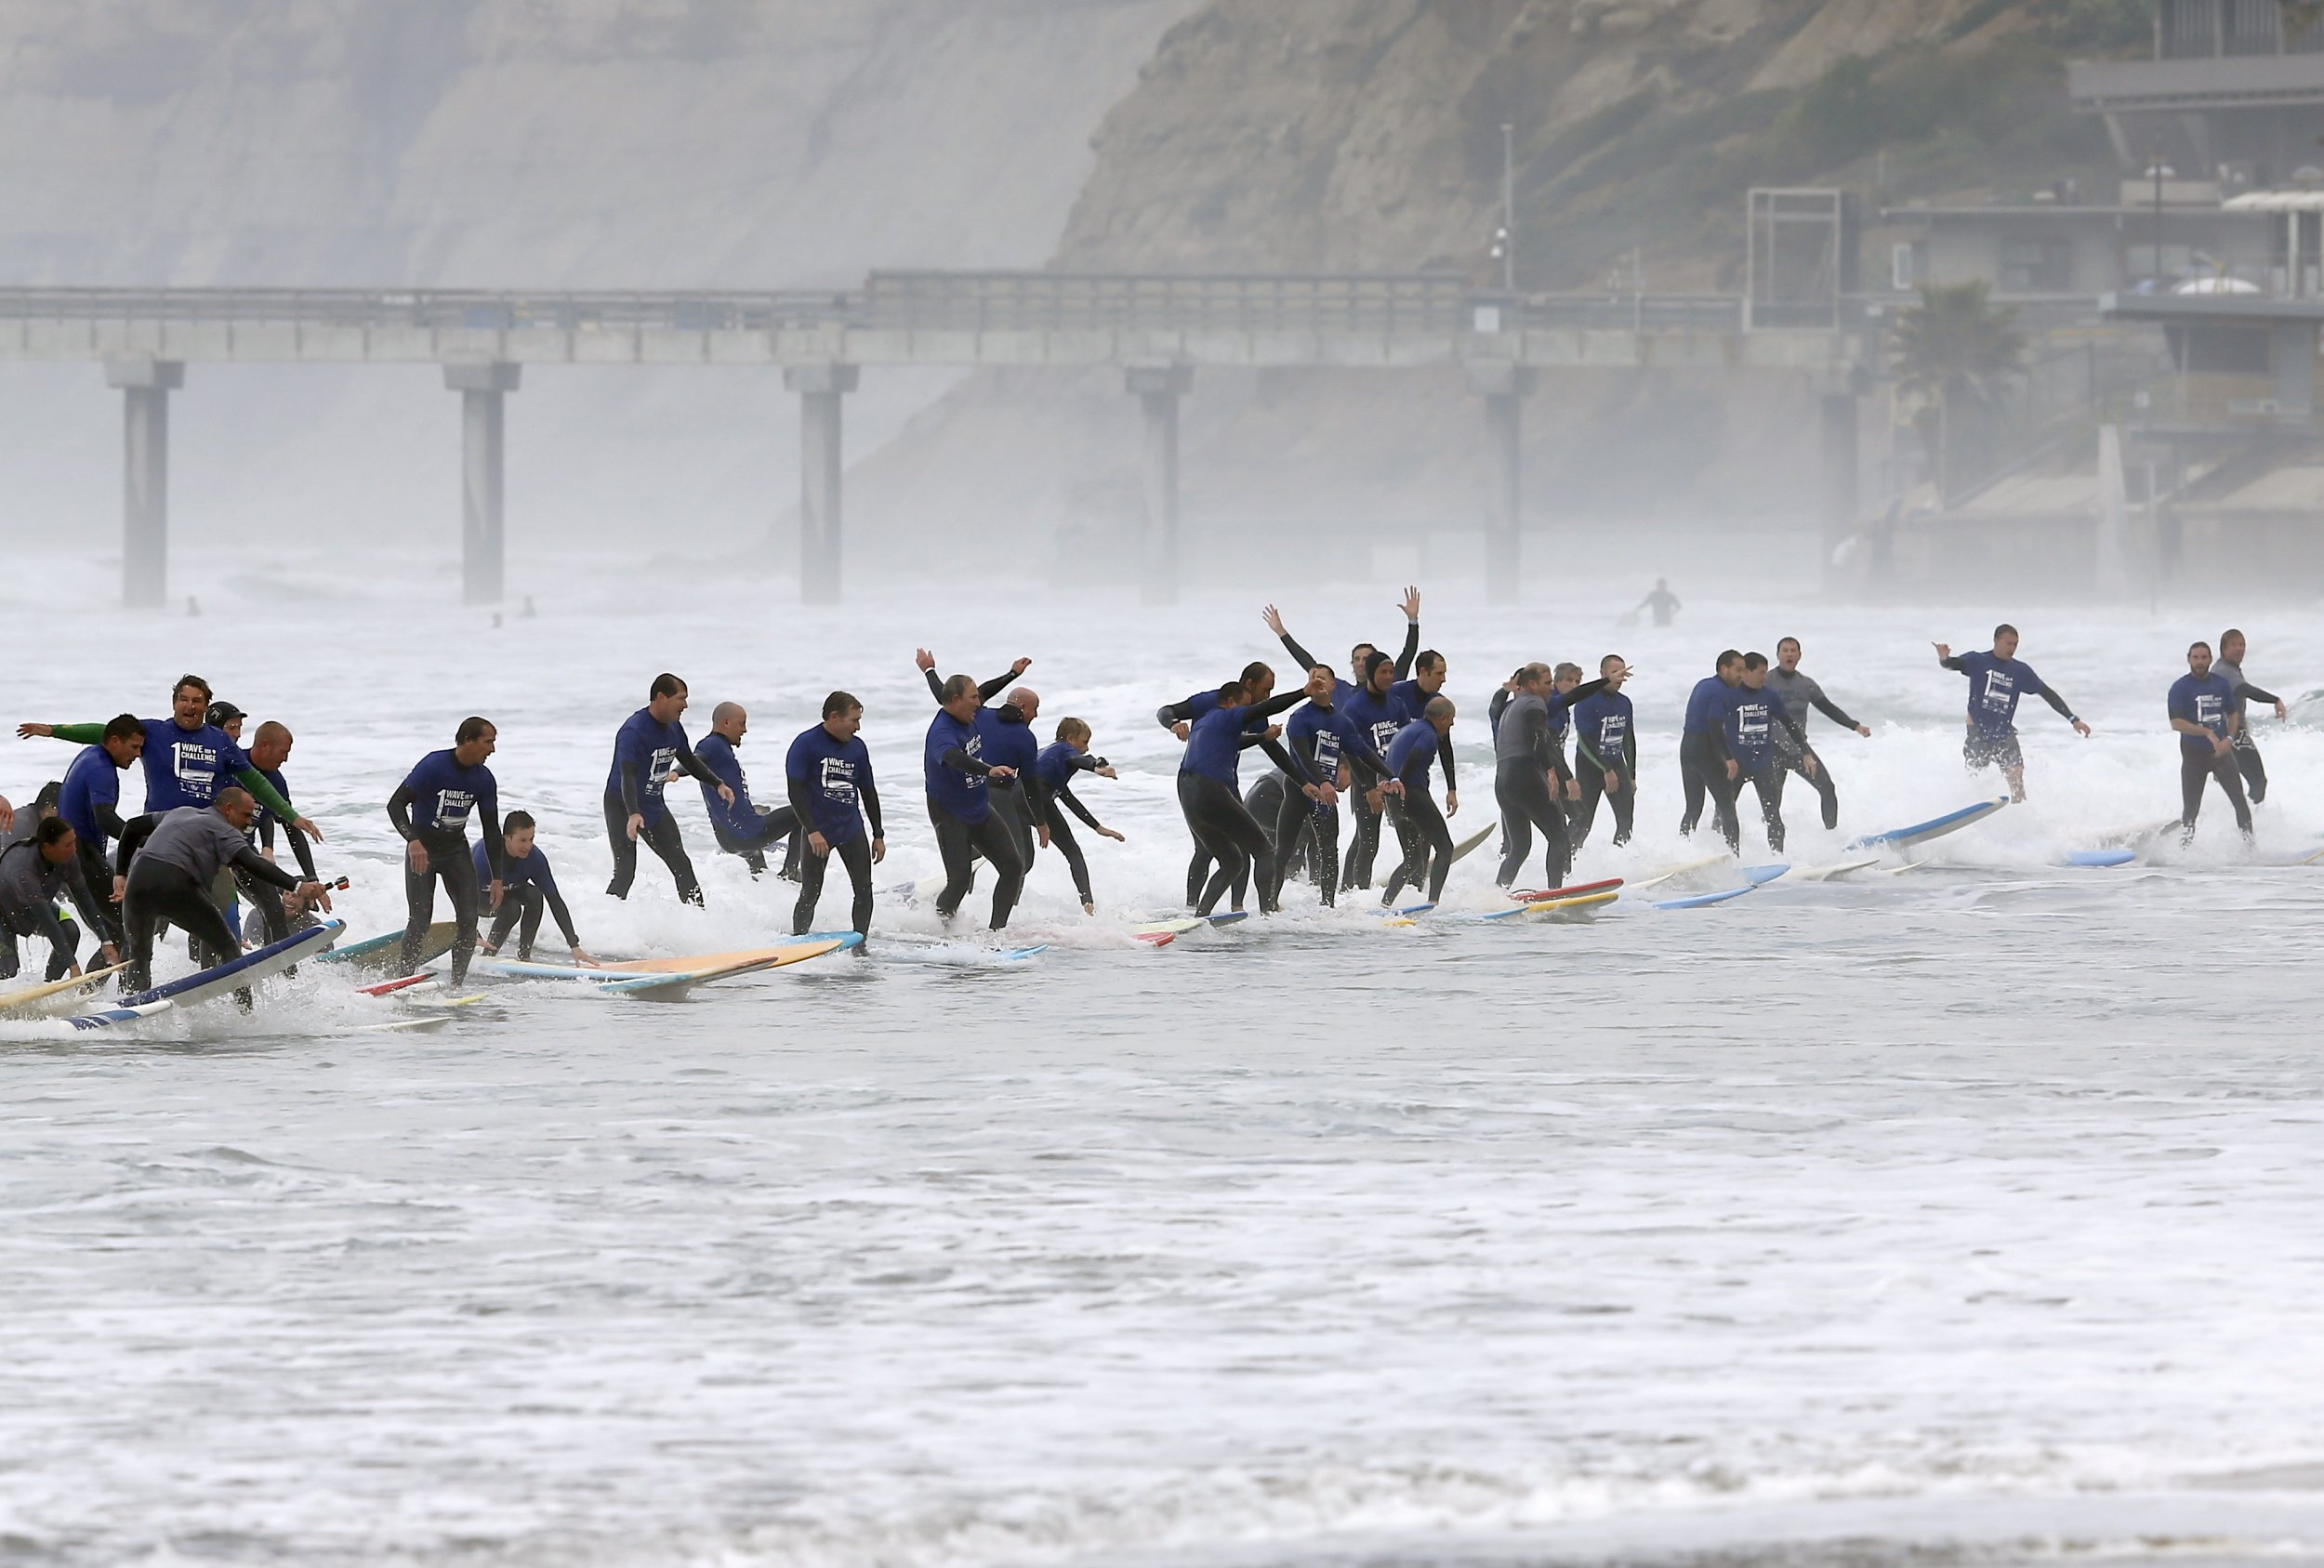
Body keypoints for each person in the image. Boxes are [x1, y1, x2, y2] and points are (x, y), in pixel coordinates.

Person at [17, 674, 321, 844]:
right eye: (183, 699)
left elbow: (255, 781)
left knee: (219, 910)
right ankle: (124, 957)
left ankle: (236, 958)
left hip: (206, 837)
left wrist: (292, 816)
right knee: (149, 918)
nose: (189, 706)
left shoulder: (220, 742)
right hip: (158, 834)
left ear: (205, 706)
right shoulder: (154, 732)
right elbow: (105, 731)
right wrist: (54, 730)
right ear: (174, 703)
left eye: (197, 701)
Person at [1266, 591, 1420, 886]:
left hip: (1387, 771)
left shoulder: (1388, 689)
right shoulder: (1342, 692)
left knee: (1404, 828)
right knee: (1367, 839)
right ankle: (1351, 890)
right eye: (1357, 659)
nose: (1362, 663)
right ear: (1352, 665)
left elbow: (1406, 658)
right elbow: (1310, 665)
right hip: (1362, 774)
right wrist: (1282, 633)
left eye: (1367, 659)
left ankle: (1403, 878)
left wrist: (1413, 622)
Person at [114, 792, 331, 996]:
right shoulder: (224, 830)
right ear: (228, 808)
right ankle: (247, 1016)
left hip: (138, 881)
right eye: (246, 815)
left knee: (139, 955)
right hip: (176, 882)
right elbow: (253, 863)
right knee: (229, 950)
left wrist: (121, 873)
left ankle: (133, 1011)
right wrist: (296, 885)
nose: (249, 823)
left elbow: (133, 826)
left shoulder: (181, 812)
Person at [387, 717, 506, 987]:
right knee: (420, 920)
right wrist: (413, 841)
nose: (492, 750)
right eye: (488, 742)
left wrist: (497, 877)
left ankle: (456, 986)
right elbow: (395, 805)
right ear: (468, 740)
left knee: (468, 918)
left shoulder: (484, 779)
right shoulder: (433, 766)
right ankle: (402, 981)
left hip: (455, 852)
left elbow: (491, 830)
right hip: (423, 851)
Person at [1178, 680, 1314, 917]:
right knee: (1265, 851)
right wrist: (1303, 693)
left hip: (1188, 794)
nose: (1247, 712)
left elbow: (1239, 741)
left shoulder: (1206, 723)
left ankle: (1199, 917)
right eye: (1245, 706)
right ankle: (1267, 914)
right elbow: (1265, 708)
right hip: (1210, 789)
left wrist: (1263, 735)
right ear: (1231, 703)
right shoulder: (1227, 716)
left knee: (1232, 861)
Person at [1272, 665, 1395, 910]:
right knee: (1284, 847)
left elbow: (1362, 753)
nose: (1317, 682)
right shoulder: (1300, 718)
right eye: (1312, 678)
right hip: (1301, 789)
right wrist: (1323, 781)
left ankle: (1328, 905)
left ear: (1332, 686)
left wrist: (1393, 776)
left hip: (1325, 795)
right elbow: (1302, 755)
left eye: (1322, 679)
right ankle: (1269, 903)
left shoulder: (1341, 722)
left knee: (1329, 850)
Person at [604, 673, 732, 905]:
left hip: (653, 805)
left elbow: (689, 760)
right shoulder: (633, 731)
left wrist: (718, 783)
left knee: (682, 865)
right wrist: (633, 813)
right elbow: (628, 775)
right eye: (681, 698)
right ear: (661, 697)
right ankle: (601, 924)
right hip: (623, 805)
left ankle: (699, 923)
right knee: (625, 873)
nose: (686, 705)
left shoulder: (674, 727)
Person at [1934, 626, 2091, 803]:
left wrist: (2073, 719)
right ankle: (1968, 809)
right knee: (1975, 777)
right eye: (2008, 643)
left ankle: (2021, 813)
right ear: (1996, 640)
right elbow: (1952, 664)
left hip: (2004, 732)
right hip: (1978, 732)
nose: (2012, 648)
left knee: (2016, 775)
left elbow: (2046, 693)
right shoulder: (1977, 660)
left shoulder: (2020, 671)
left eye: (2015, 644)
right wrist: (1944, 658)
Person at [925, 673, 1026, 930]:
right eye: (972, 698)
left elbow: (982, 692)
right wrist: (988, 769)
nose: (978, 703)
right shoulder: (942, 731)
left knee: (1013, 867)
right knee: (959, 879)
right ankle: (942, 932)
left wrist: (1012, 674)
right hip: (949, 813)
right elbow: (953, 757)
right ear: (956, 700)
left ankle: (996, 934)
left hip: (978, 807)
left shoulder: (966, 712)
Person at [1493, 664, 1607, 889]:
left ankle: (1497, 894)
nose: (1551, 687)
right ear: (1533, 685)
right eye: (1547, 683)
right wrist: (1551, 772)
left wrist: (1604, 681)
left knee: (1519, 848)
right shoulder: (1535, 703)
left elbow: (1573, 696)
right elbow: (1540, 737)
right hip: (1525, 776)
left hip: (1503, 782)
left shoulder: (1511, 707)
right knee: (1558, 836)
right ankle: (1555, 892)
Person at [786, 691, 886, 939]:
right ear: (834, 717)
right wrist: (811, 831)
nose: (858, 727)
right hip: (819, 829)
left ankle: (859, 943)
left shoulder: (857, 748)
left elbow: (868, 791)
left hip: (850, 827)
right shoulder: (805, 744)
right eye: (854, 720)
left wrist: (878, 834)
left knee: (864, 889)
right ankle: (798, 941)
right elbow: (795, 791)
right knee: (811, 891)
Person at [55, 715, 144, 951]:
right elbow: (104, 819)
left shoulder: (90, 755)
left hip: (74, 856)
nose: (137, 755)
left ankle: (87, 987)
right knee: (129, 927)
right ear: (115, 741)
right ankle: (133, 988)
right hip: (81, 855)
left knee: (115, 933)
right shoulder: (101, 769)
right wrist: (143, 840)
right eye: (134, 747)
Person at [1764, 637, 1870, 833]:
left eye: (1793, 650)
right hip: (1773, 749)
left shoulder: (1807, 685)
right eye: (1785, 650)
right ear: (1777, 655)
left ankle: (1831, 835)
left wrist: (1855, 726)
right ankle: (1766, 845)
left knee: (1827, 789)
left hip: (1800, 751)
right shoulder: (1766, 682)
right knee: (1773, 802)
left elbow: (1828, 708)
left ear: (1799, 656)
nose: (1789, 654)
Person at [234, 720, 321, 948]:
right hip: (215, 849)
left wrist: (311, 877)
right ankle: (203, 967)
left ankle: (282, 968)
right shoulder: (234, 765)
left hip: (244, 854)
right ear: (264, 745)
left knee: (272, 903)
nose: (285, 759)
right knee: (216, 904)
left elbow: (291, 828)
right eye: (284, 752)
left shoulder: (276, 781)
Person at [0, 816, 116, 983]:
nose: (74, 849)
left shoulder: (67, 858)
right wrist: (73, 965)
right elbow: (46, 920)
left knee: (70, 931)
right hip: (3, 914)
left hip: (34, 907)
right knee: (8, 970)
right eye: (68, 845)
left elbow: (84, 898)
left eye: (74, 842)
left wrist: (106, 940)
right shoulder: (24, 869)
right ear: (47, 847)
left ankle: (50, 986)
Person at [693, 703, 799, 878]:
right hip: (747, 833)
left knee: (761, 872)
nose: (745, 730)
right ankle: (791, 872)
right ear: (726, 723)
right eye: (741, 724)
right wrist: (676, 772)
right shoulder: (712, 745)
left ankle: (763, 895)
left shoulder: (720, 749)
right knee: (803, 813)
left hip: (727, 839)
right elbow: (693, 761)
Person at [476, 810, 595, 966]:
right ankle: (488, 955)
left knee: (535, 895)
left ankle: (524, 955)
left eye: (531, 839)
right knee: (512, 908)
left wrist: (574, 945)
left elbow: (555, 900)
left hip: (508, 891)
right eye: (522, 840)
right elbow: (460, 894)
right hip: (478, 898)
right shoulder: (482, 857)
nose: (528, 846)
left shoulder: (535, 859)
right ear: (507, 837)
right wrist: (471, 930)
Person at [1033, 718, 1124, 916]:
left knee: (1020, 862)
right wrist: (1096, 767)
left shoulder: (1047, 755)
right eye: (1084, 742)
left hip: (1016, 802)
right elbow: (1079, 759)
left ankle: (1011, 908)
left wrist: (1098, 828)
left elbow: (1067, 797)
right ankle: (1089, 908)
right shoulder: (1064, 750)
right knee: (1073, 852)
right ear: (1071, 739)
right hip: (1037, 802)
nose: (1086, 747)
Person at [2168, 640, 2253, 846]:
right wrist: (2206, 732)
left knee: (2240, 801)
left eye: (2203, 657)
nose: (2199, 662)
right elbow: (2176, 723)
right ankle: (2184, 850)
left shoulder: (2220, 684)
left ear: (2210, 659)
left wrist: (2230, 739)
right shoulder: (2180, 687)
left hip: (2221, 753)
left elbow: (2233, 714)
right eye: (2195, 658)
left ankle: (2250, 848)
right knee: (2191, 809)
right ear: (2189, 659)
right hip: (2193, 754)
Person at [1381, 696, 1460, 906]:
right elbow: (1414, 756)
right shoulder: (1428, 735)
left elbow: (1391, 761)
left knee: (1412, 859)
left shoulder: (1408, 730)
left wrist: (1392, 785)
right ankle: (1432, 902)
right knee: (1445, 849)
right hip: (1412, 794)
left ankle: (1385, 904)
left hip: (1394, 799)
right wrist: (1402, 784)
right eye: (1451, 719)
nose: (1452, 724)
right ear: (1442, 718)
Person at [1679, 651, 1746, 852]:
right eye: (1738, 670)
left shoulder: (1703, 684)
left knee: (1693, 808)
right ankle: (1734, 856)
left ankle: (1682, 850)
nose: (1741, 675)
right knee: (1727, 807)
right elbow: (1714, 726)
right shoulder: (1720, 691)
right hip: (1705, 750)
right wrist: (1730, 759)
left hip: (1687, 748)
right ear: (1724, 669)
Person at [1727, 653, 1792, 852]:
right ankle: (1723, 855)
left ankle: (1777, 858)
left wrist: (1805, 752)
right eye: (1761, 672)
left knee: (1773, 816)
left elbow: (1789, 723)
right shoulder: (1730, 695)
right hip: (1735, 765)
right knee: (1725, 813)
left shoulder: (1769, 695)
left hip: (1762, 764)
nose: (1764, 677)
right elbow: (1714, 727)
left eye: (1766, 672)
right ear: (1746, 672)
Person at [1571, 656, 1638, 849]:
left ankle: (1620, 862)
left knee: (1626, 821)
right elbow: (1584, 741)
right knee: (1583, 822)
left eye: (1623, 674)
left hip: (1617, 766)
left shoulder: (1625, 702)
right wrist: (1606, 770)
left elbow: (1628, 740)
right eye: (1615, 673)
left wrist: (1631, 775)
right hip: (1589, 768)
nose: (1619, 678)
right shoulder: (1586, 701)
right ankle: (1567, 866)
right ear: (1602, 673)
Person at [2215, 628, 2286, 806]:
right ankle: (2249, 819)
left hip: (2221, 733)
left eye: (2242, 644)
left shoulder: (2227, 668)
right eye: (2234, 645)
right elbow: (2243, 690)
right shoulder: (2225, 671)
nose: (2239, 648)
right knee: (2258, 782)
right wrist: (2274, 700)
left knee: (2228, 780)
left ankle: (2221, 815)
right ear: (2223, 648)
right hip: (2232, 735)